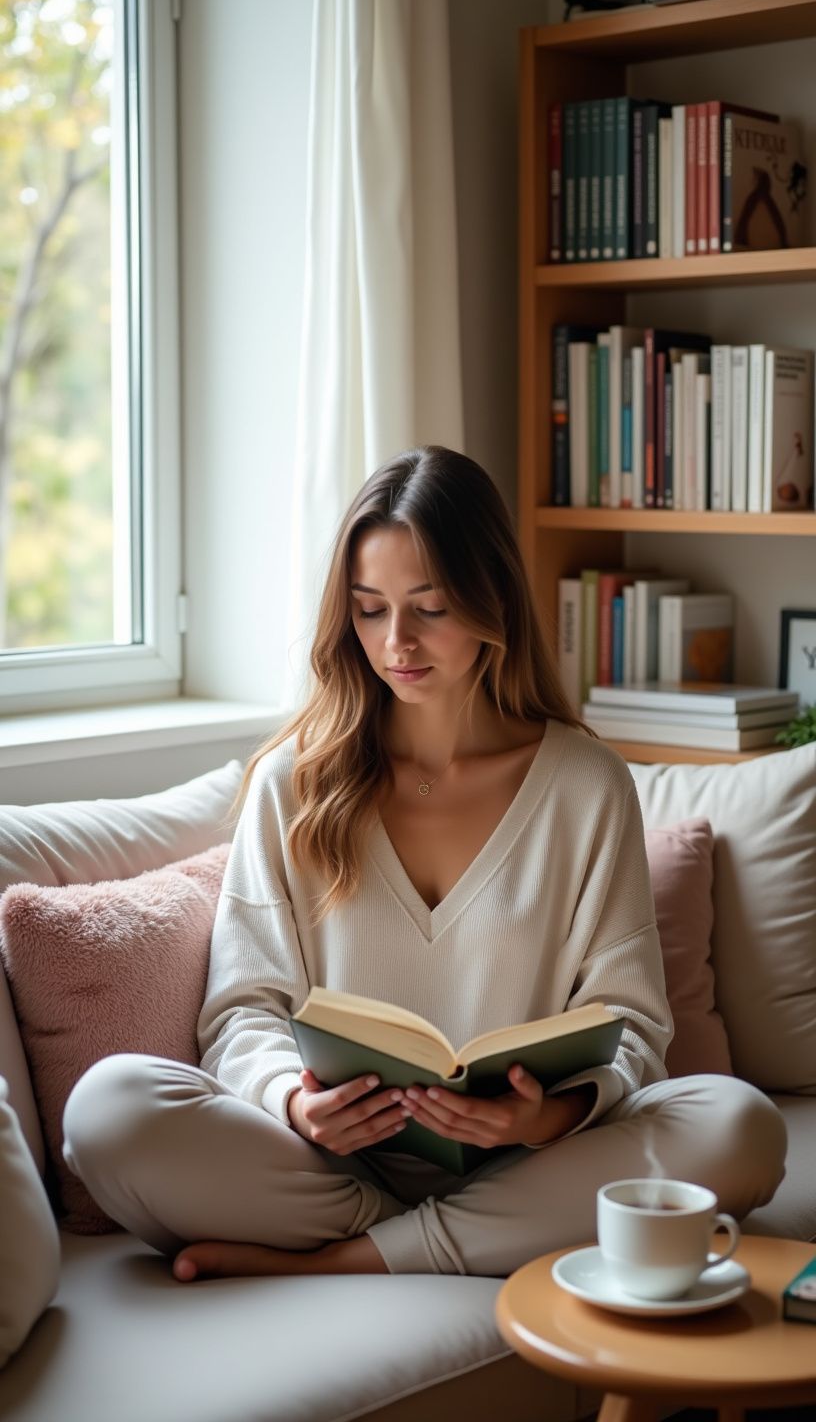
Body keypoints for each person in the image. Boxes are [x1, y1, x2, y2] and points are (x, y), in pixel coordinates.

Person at [63, 446, 786, 1282]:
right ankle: (430, 1239)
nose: (395, 642)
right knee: (109, 1109)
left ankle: (347, 1260)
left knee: (740, 1125)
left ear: (491, 603)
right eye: (369, 610)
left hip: (532, 1165)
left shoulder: (588, 787)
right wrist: (296, 1104)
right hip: (329, 1169)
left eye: (429, 608)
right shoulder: (292, 784)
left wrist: (542, 1118)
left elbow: (634, 1026)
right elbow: (241, 1012)